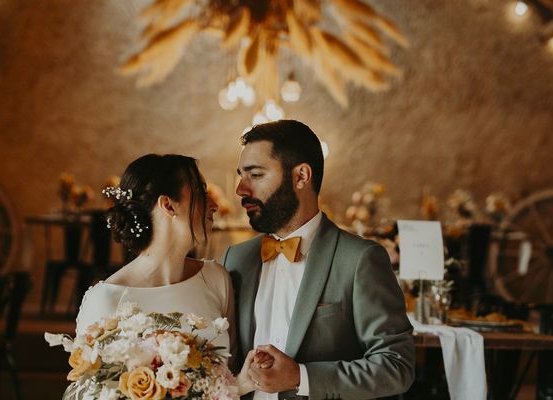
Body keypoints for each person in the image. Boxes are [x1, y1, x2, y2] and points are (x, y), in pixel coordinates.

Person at [221, 120, 415, 400]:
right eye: (241, 175)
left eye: (256, 175)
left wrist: (301, 377)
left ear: (301, 176)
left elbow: (397, 366)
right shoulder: (236, 258)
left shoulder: (360, 259)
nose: (241, 189)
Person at [65, 154, 259, 398]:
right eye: (201, 192)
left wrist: (242, 382)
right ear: (168, 205)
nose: (214, 205)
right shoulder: (106, 299)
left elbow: (230, 380)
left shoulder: (216, 279)